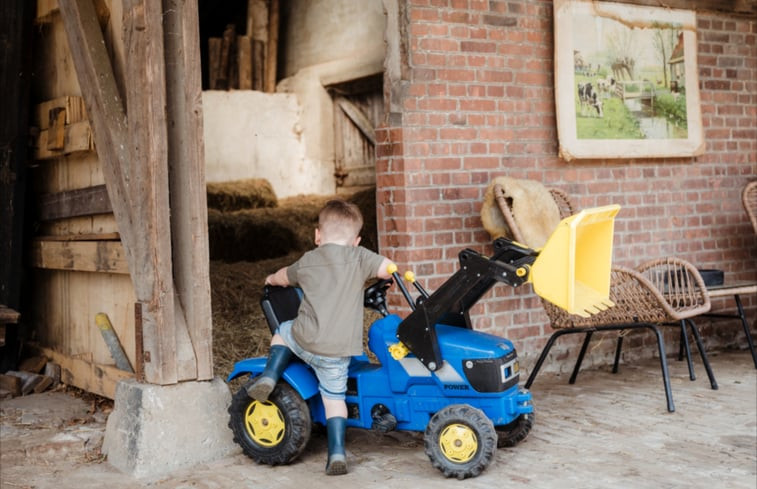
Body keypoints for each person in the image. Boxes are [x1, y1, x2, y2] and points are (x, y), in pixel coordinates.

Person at [248, 198, 394, 475]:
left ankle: (269, 375)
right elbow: (387, 268)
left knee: (283, 332)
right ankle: (337, 453)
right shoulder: (360, 257)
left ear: (317, 235)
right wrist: (388, 270)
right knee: (334, 400)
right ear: (356, 240)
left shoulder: (308, 260)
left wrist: (269, 279)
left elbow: (283, 277)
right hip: (337, 353)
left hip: (304, 339)